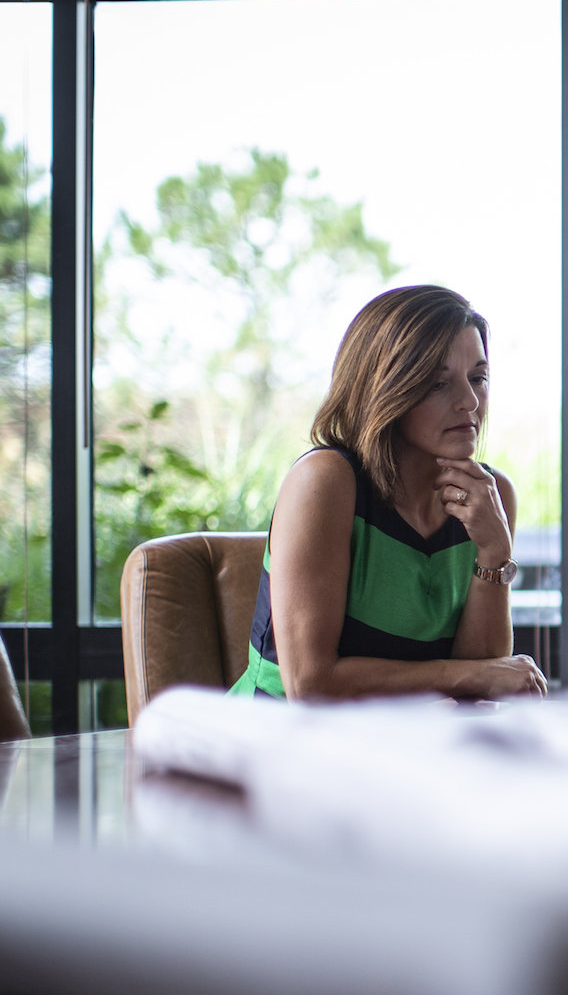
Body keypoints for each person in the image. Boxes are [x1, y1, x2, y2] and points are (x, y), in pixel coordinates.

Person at [230, 284, 548, 701]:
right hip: (275, 745)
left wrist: (494, 553)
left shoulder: (492, 496)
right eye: (439, 383)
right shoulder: (325, 481)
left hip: (403, 748)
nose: (470, 401)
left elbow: (481, 681)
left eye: (478, 378)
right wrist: (460, 677)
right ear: (386, 388)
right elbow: (310, 684)